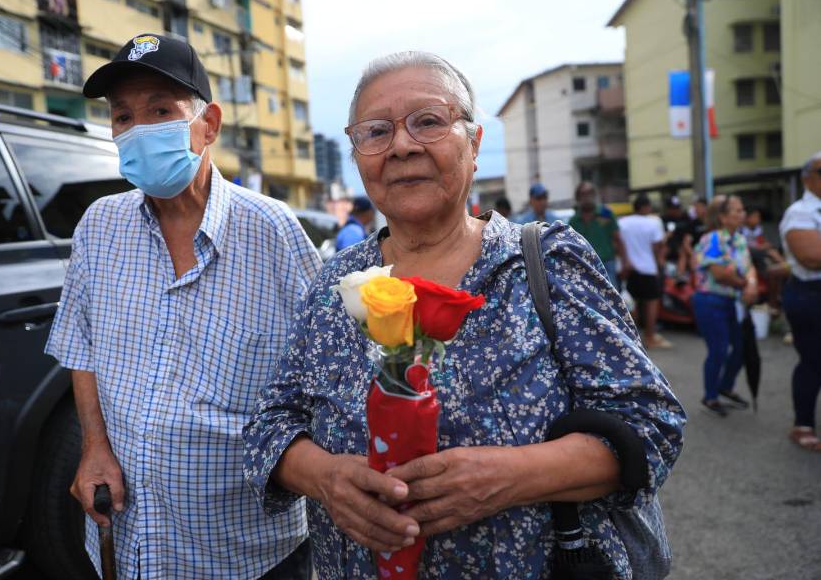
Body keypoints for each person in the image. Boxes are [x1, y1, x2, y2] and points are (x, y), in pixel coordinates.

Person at [243, 51, 685, 579]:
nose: (403, 146)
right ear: (358, 156)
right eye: (376, 132)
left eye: (428, 122)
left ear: (474, 144)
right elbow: (272, 424)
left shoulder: (544, 263)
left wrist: (511, 476)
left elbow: (650, 423)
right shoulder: (335, 284)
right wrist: (325, 478)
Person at [44, 34, 321, 579]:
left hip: (247, 551)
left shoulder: (272, 231)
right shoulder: (99, 227)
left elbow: (324, 374)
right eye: (123, 116)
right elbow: (83, 347)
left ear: (208, 124)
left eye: (160, 111)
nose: (139, 129)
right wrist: (94, 446)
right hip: (131, 543)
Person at [691, 195, 757, 417]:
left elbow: (748, 268)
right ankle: (710, 396)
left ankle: (725, 386)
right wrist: (746, 285)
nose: (742, 214)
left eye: (742, 210)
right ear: (722, 217)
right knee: (718, 350)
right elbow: (719, 274)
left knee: (740, 349)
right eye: (737, 210)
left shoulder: (738, 239)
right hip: (710, 300)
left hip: (731, 301)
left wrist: (750, 283)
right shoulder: (713, 239)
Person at [780, 153, 821, 451]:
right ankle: (803, 423)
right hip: (810, 294)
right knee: (813, 360)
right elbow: (811, 256)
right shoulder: (801, 212)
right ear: (807, 177)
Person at [618, 194, 672, 349]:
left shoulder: (622, 222)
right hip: (648, 268)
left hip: (628, 268)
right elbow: (657, 247)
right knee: (650, 303)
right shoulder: (654, 222)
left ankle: (632, 339)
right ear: (646, 207)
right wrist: (658, 264)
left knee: (630, 303)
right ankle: (649, 337)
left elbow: (618, 243)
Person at [568, 181, 629, 290]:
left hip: (607, 264)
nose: (587, 197)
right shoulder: (574, 221)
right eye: (583, 194)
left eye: (590, 193)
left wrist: (625, 262)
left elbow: (618, 239)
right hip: (585, 267)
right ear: (578, 197)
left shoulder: (605, 213)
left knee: (611, 297)